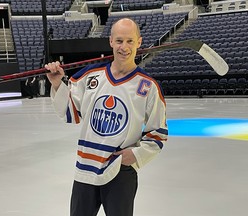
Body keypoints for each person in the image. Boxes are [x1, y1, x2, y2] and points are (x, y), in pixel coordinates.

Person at [45, 18, 168, 216]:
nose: (124, 47)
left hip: (120, 171)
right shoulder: (90, 76)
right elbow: (70, 113)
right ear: (111, 41)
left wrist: (135, 155)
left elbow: (158, 132)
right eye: (119, 41)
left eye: (130, 41)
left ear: (139, 42)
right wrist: (58, 84)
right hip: (86, 169)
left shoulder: (148, 86)